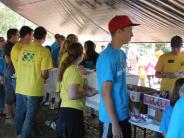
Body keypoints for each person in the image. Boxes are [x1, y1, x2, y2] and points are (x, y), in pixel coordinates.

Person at [96, 15, 139, 138]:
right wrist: (114, 124)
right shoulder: (107, 58)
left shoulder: (121, 54)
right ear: (119, 32)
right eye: (129, 31)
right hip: (111, 119)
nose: (132, 35)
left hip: (123, 114)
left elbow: (121, 85)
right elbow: (105, 93)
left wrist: (131, 106)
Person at [15, 26, 53, 138]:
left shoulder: (23, 48)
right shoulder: (44, 51)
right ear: (44, 37)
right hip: (33, 89)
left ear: (34, 35)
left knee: (28, 116)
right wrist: (46, 75)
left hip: (20, 87)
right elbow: (44, 74)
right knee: (29, 118)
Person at [56, 42, 97, 138]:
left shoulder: (70, 69)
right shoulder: (73, 71)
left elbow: (73, 87)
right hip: (72, 110)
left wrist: (86, 85)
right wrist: (87, 93)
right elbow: (72, 95)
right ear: (81, 55)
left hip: (68, 109)